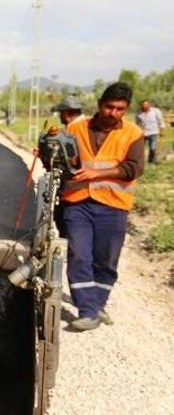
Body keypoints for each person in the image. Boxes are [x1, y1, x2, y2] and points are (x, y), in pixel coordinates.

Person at [62, 82, 145, 331]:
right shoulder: (75, 128)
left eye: (120, 109)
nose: (114, 113)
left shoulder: (133, 134)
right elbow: (63, 157)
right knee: (79, 254)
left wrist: (96, 175)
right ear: (100, 104)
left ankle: (97, 306)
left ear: (126, 109)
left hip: (113, 206)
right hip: (78, 203)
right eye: (109, 107)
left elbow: (134, 168)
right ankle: (87, 311)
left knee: (106, 260)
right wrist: (48, 154)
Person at [49, 96, 86, 238]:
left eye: (60, 114)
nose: (59, 117)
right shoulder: (85, 125)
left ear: (66, 113)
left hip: (75, 186)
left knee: (65, 219)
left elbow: (69, 159)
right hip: (81, 185)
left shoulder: (73, 130)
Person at [135, 99, 166, 164]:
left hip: (153, 132)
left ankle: (151, 161)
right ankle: (140, 162)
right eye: (143, 105)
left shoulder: (155, 111)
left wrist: (162, 130)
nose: (144, 106)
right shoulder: (138, 113)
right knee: (140, 148)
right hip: (142, 133)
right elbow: (137, 123)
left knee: (152, 148)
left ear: (149, 105)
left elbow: (161, 121)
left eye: (146, 105)